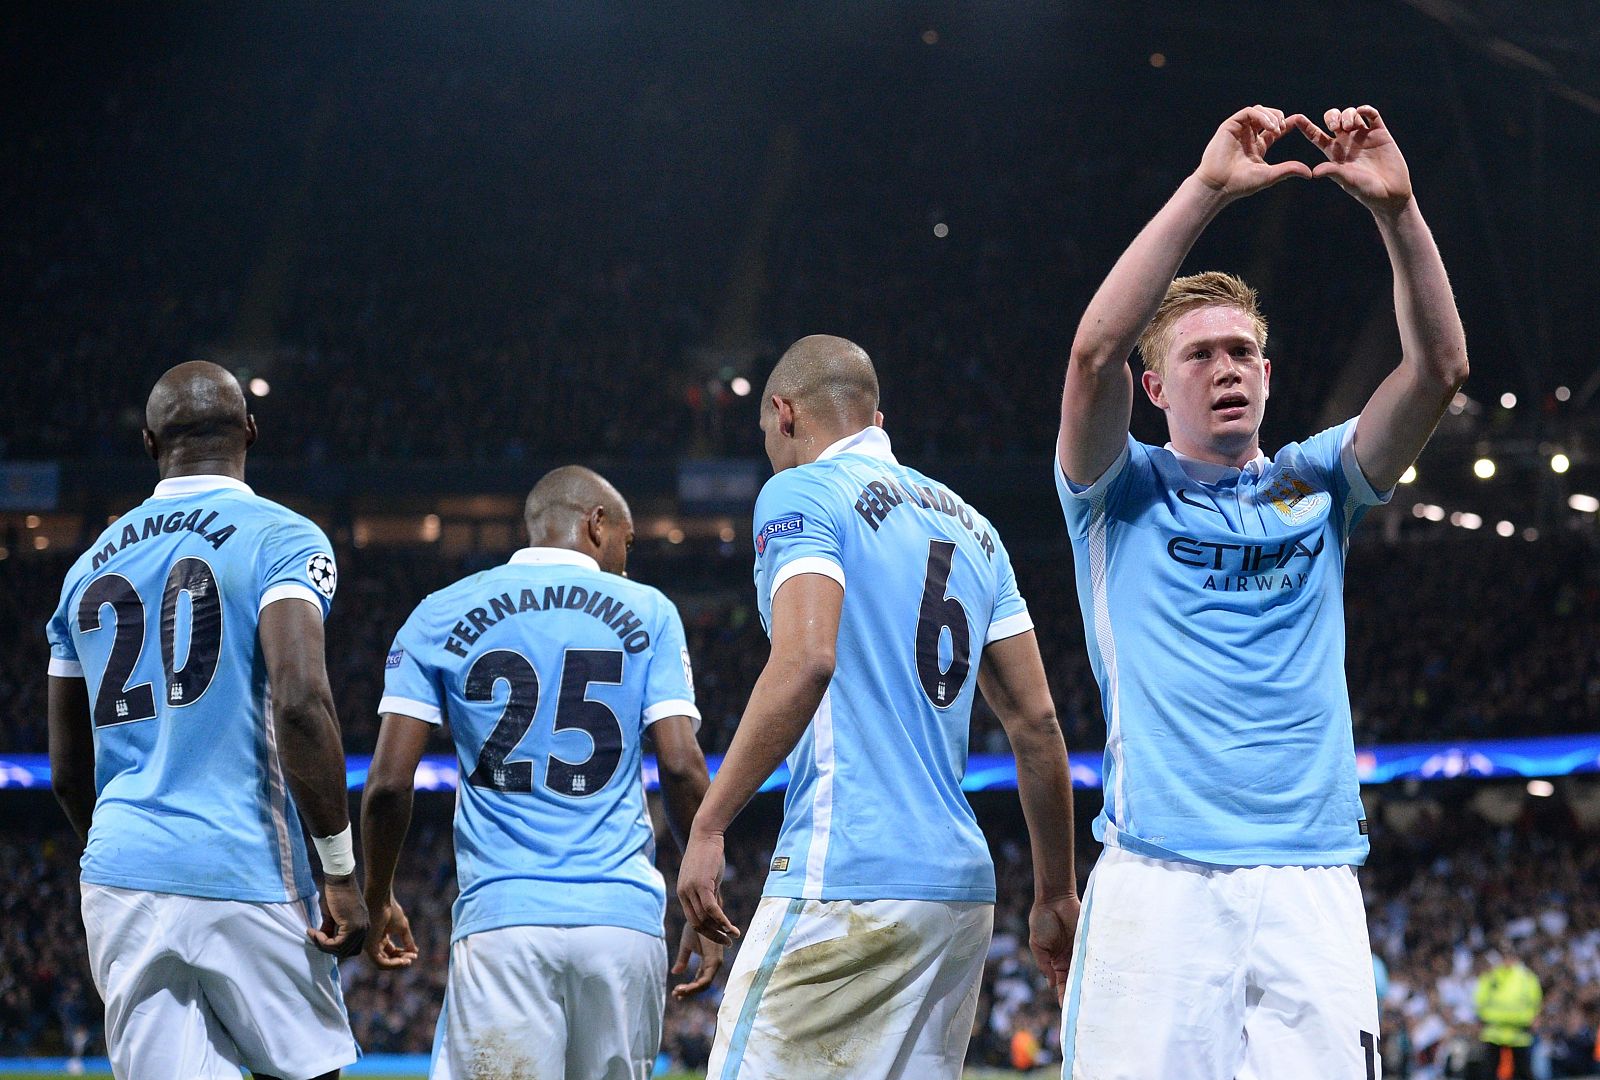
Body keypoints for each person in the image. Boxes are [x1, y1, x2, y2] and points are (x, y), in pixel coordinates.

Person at [1054, 104, 1469, 1078]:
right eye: (1198, 355)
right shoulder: (1118, 494)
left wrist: (1398, 213)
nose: (1225, 369)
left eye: (1240, 352)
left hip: (1311, 874)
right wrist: (1204, 191)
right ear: (1154, 390)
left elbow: (1440, 368)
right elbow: (1089, 355)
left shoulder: (1316, 482)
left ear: (1268, 373)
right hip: (1158, 876)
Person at [677, 335, 1079, 1080]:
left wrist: (708, 822)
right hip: (958, 899)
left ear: (783, 412)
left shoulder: (800, 492)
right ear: (876, 419)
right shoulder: (975, 527)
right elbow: (1038, 723)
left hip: (849, 872)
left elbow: (806, 660)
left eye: (768, 433)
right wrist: (1056, 891)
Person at [45, 361, 366, 1080]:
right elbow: (301, 703)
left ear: (150, 443)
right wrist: (341, 875)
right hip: (244, 864)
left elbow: (69, 772)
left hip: (123, 872)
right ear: (250, 430)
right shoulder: (284, 538)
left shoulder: (85, 567)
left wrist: (131, 848)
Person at [362, 465, 722, 1080]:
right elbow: (684, 767)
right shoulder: (650, 611)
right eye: (628, 545)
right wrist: (704, 905)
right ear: (596, 523)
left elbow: (390, 784)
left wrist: (376, 896)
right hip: (621, 922)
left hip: (504, 921)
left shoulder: (440, 612)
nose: (627, 564)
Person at [1472, 949, 1542, 1080]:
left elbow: (1535, 1001)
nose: (1507, 960)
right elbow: (1479, 1000)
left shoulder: (1527, 978)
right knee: (1489, 1071)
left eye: (1510, 956)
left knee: (1523, 1072)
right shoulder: (1491, 976)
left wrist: (1536, 1017)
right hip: (1494, 1032)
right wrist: (1480, 1019)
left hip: (1519, 1032)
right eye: (1505, 956)